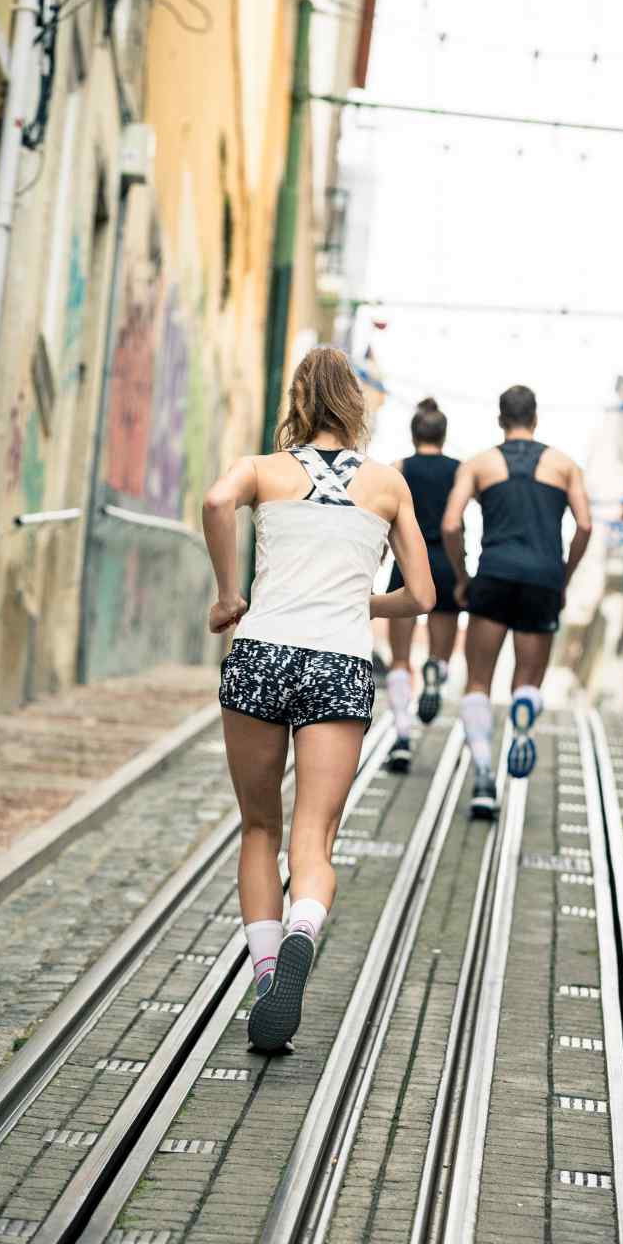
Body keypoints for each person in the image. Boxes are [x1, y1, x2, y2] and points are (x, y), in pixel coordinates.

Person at [201, 346, 435, 1054]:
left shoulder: (260, 470)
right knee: (315, 836)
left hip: (261, 653)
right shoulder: (388, 483)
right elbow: (423, 596)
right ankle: (305, 927)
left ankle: (270, 974)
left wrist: (229, 595)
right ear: (354, 406)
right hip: (337, 663)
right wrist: (361, 600)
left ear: (298, 399)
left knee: (258, 828)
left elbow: (215, 502)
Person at [441, 383, 592, 819]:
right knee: (527, 680)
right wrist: (563, 576)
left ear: (500, 419)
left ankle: (484, 774)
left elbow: (451, 525)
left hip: (493, 576)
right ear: (536, 418)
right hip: (542, 581)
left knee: (478, 682)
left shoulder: (479, 464)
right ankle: (524, 709)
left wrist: (462, 575)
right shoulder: (565, 466)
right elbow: (584, 525)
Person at [384, 397, 461, 772]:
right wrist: (465, 575)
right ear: (443, 436)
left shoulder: (398, 469)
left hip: (406, 563)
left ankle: (401, 736)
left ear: (413, 434)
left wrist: (382, 559)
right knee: (440, 652)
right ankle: (435, 673)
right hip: (445, 564)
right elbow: (457, 522)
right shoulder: (459, 471)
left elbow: (384, 521)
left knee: (399, 658)